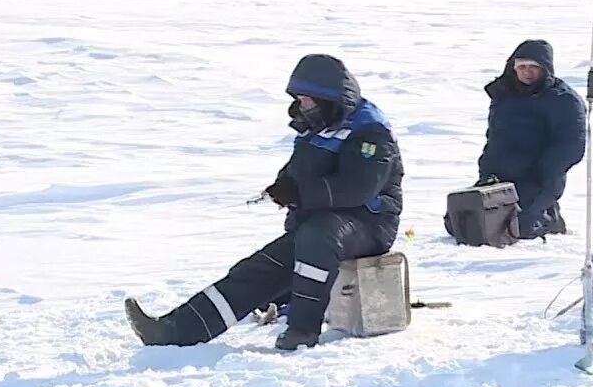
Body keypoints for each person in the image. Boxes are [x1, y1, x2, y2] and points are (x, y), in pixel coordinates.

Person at [124, 53, 404, 350]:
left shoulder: (370, 131)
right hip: (323, 230)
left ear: (329, 98)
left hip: (370, 225)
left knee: (317, 236)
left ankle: (302, 331)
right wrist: (285, 187)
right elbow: (301, 173)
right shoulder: (317, 127)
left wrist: (300, 195)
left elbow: (357, 188)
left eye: (307, 99)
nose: (301, 106)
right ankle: (173, 332)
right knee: (255, 271)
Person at [471, 39, 586, 239]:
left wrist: (544, 173)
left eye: (534, 67)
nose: (527, 72)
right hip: (499, 176)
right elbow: (496, 136)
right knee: (466, 223)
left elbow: (571, 145)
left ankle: (550, 220)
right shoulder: (505, 95)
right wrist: (487, 170)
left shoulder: (563, 99)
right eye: (522, 66)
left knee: (522, 228)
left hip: (538, 178)